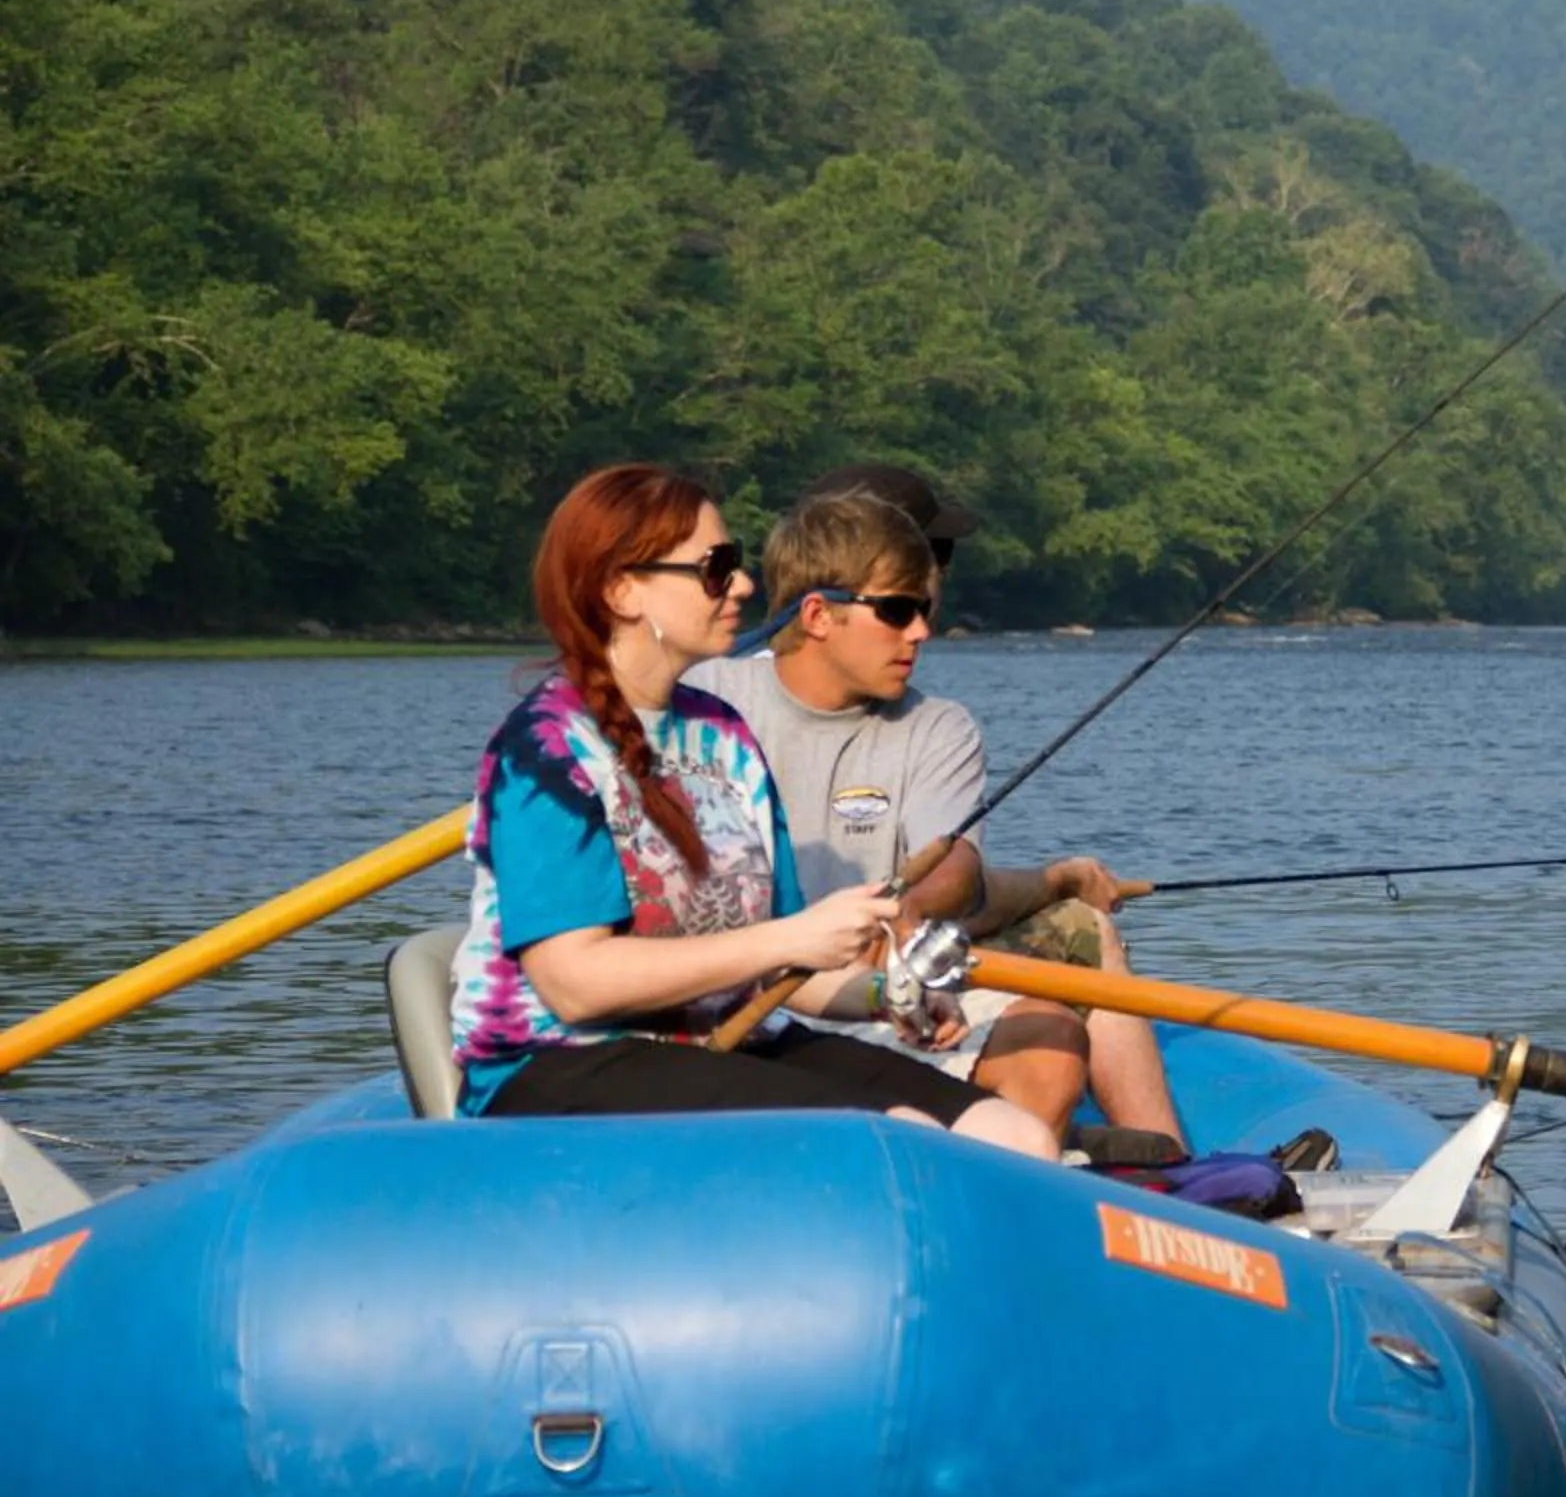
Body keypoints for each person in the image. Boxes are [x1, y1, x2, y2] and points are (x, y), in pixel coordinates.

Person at [446, 461, 1059, 1162]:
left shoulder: (725, 736)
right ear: (621, 590)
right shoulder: (544, 749)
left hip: (731, 1040)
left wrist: (891, 994)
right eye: (716, 567)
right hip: (561, 1067)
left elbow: (787, 971)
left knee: (1015, 1136)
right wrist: (791, 940)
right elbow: (576, 984)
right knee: (904, 1146)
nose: (742, 584)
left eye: (735, 564)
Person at [691, 468, 1188, 1157]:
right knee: (1083, 928)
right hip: (752, 992)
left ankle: (1116, 1172)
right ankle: (1121, 1147)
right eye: (900, 606)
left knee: (1052, 1031)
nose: (924, 626)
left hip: (882, 981)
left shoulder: (940, 727)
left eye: (926, 593)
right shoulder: (704, 704)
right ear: (816, 613)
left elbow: (955, 870)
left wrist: (906, 918)